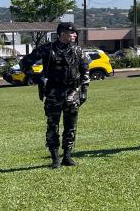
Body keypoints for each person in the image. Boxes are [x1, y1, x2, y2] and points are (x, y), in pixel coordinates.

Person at [20, 22, 90, 169]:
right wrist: (36, 77)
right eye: (71, 33)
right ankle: (54, 158)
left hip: (72, 92)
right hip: (53, 93)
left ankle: (67, 156)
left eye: (75, 33)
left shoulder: (78, 50)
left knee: (70, 126)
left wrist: (84, 91)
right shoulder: (47, 49)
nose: (74, 35)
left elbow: (85, 71)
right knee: (53, 126)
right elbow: (25, 62)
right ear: (62, 33)